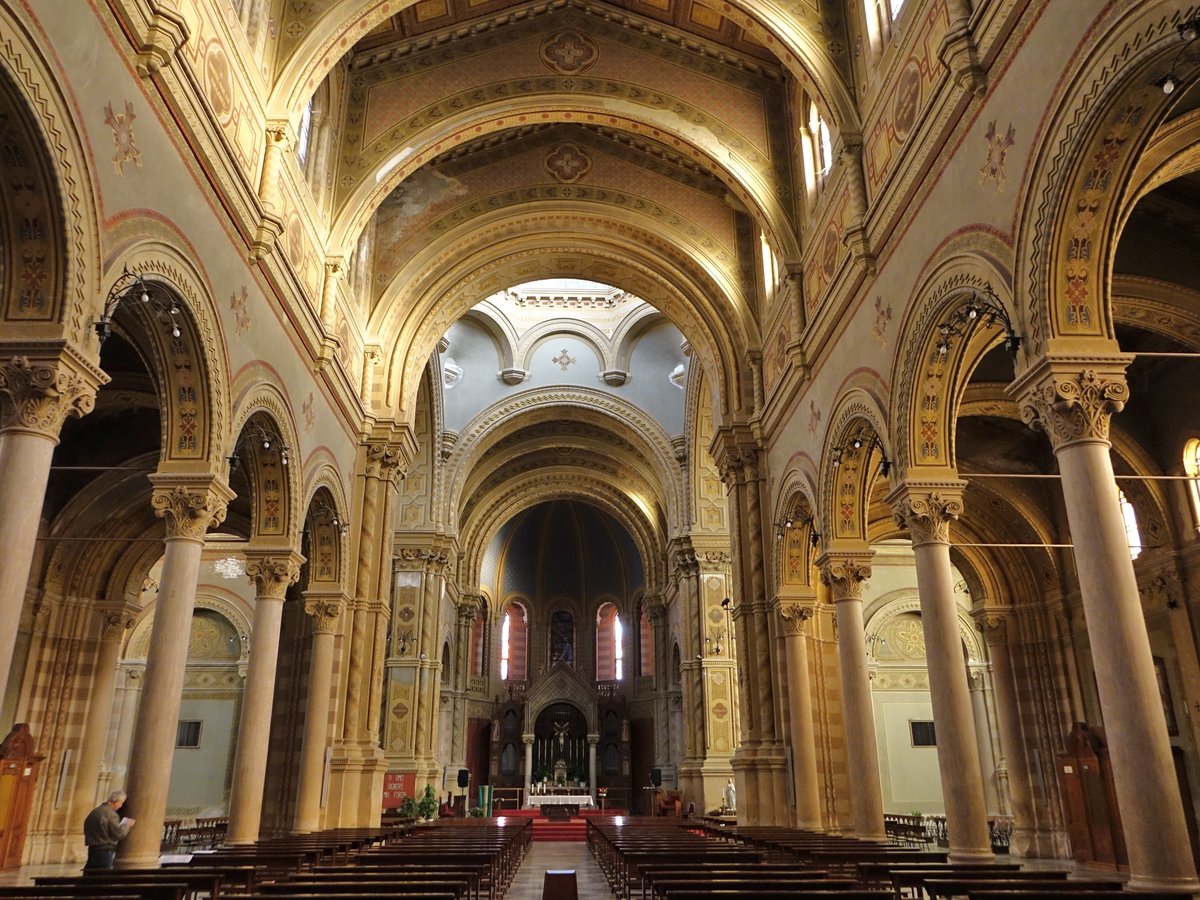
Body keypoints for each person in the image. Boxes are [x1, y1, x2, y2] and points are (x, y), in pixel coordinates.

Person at [83, 790, 135, 870]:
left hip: (92, 848)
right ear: (116, 802)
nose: (121, 806)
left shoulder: (95, 811)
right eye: (121, 803)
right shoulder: (110, 814)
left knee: (91, 874)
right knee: (103, 876)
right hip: (105, 850)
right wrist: (127, 824)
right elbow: (119, 833)